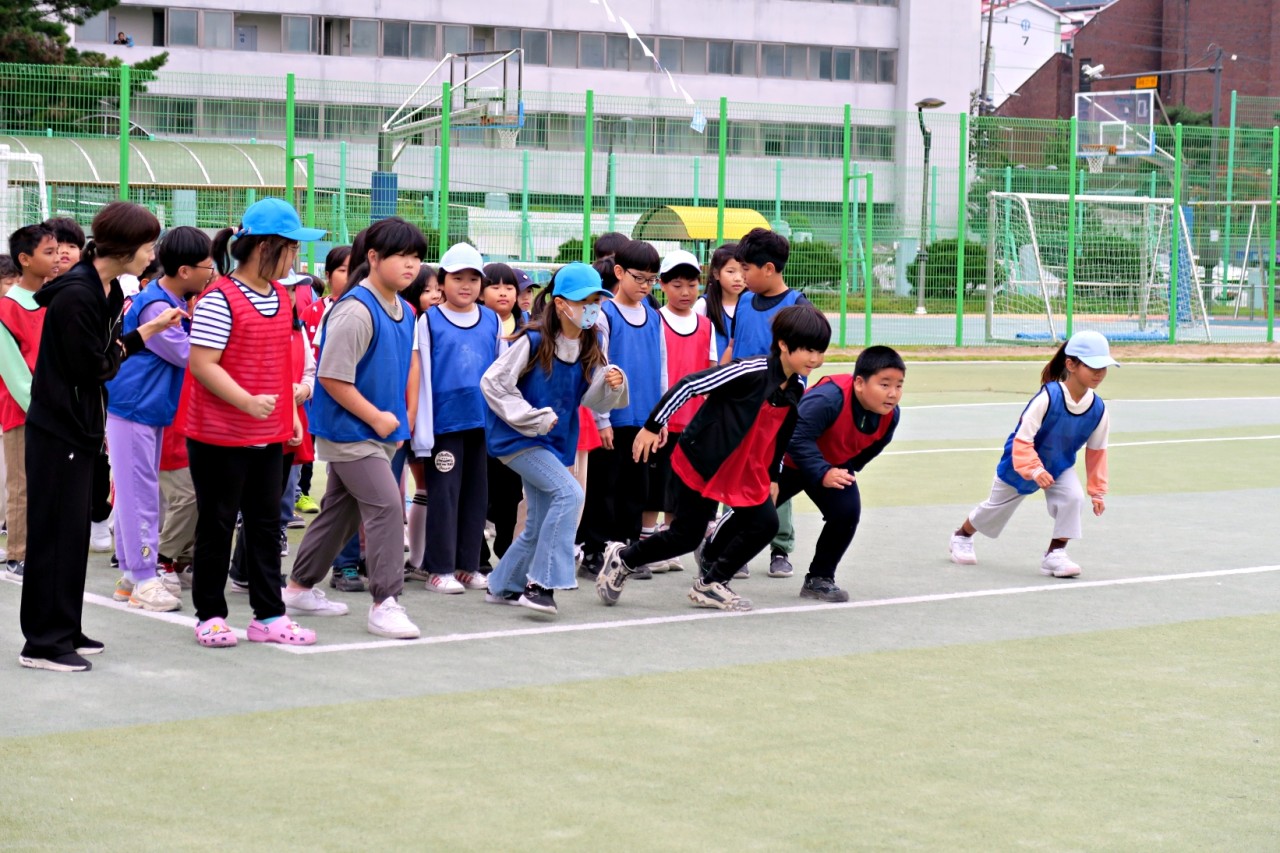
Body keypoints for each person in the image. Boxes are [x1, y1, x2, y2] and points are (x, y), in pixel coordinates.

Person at [18, 202, 185, 672]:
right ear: (128, 247)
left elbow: (106, 355)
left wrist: (147, 331)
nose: (152, 255)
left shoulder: (106, 290)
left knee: (70, 535)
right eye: (149, 245)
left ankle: (65, 628)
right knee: (53, 535)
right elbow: (93, 366)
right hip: (58, 430)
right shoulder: (77, 296)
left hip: (81, 427)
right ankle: (43, 644)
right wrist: (126, 347)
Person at [595, 305, 830, 613]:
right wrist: (653, 426)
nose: (816, 359)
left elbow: (782, 431)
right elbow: (691, 385)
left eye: (821, 351)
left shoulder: (797, 384)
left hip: (746, 469)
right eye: (809, 350)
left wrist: (774, 475)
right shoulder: (750, 370)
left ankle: (710, 583)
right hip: (703, 460)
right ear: (784, 344)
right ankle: (623, 559)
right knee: (685, 537)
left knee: (765, 523)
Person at [182, 197, 321, 650]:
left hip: (269, 432)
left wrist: (289, 418)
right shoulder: (218, 298)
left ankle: (270, 615)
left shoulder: (282, 297)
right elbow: (203, 364)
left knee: (265, 525)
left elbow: (281, 361)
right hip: (218, 435)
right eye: (291, 248)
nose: (296, 258)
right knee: (218, 524)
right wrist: (247, 402)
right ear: (265, 247)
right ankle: (210, 615)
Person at [285, 216, 422, 639]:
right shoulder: (356, 311)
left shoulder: (405, 308)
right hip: (349, 432)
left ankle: (298, 587)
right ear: (375, 258)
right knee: (385, 506)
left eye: (417, 257)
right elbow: (331, 377)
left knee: (340, 513)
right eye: (401, 256)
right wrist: (378, 418)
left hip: (377, 433)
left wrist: (394, 421)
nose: (411, 265)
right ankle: (386, 602)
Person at [482, 262, 628, 615]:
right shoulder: (532, 339)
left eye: (597, 300)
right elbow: (493, 383)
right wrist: (532, 417)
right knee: (570, 493)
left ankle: (502, 584)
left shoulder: (593, 341)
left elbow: (592, 399)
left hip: (556, 440)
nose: (592, 308)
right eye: (584, 300)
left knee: (539, 520)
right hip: (517, 439)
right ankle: (540, 585)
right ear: (560, 303)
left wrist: (613, 384)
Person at [104, 226, 212, 612]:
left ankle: (134, 577)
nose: (211, 271)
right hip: (133, 407)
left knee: (140, 494)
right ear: (185, 270)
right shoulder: (156, 306)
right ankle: (144, 577)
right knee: (140, 497)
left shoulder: (162, 298)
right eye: (206, 265)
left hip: (144, 409)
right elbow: (190, 356)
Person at [949, 331, 1116, 578]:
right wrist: (1034, 469)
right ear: (1071, 364)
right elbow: (1022, 439)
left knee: (1073, 498)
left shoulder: (1099, 409)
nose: (1099, 372)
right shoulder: (1048, 397)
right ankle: (962, 536)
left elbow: (1097, 452)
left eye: (1104, 366)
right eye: (1092, 365)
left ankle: (1055, 554)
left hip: (1059, 465)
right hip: (1020, 463)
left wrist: (1098, 490)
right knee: (994, 509)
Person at [770, 345, 905, 603]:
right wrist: (823, 471)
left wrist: (842, 468)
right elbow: (794, 437)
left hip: (829, 466)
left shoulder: (890, 415)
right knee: (757, 514)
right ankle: (715, 560)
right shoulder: (829, 398)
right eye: (885, 384)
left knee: (846, 512)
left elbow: (871, 448)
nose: (893, 393)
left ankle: (819, 578)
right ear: (859, 383)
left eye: (899, 385)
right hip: (785, 459)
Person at [413, 243, 500, 594]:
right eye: (457, 278)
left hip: (481, 423)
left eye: (473, 279)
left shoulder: (491, 319)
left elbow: (499, 373)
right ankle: (439, 568)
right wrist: (423, 430)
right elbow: (423, 376)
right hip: (444, 424)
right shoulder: (428, 320)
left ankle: (467, 565)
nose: (466, 285)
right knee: (444, 495)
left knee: (477, 495)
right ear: (442, 281)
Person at [576, 240, 665, 579]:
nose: (645, 286)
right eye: (639, 278)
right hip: (612, 419)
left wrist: (660, 418)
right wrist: (601, 420)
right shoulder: (603, 314)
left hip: (644, 420)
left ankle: (627, 553)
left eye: (651, 280)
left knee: (636, 488)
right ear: (618, 272)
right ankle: (595, 552)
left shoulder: (654, 316)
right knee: (604, 487)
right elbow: (597, 366)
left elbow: (662, 369)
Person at [729, 228, 812, 580]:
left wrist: (787, 398)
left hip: (776, 410)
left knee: (772, 476)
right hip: (739, 405)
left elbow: (805, 360)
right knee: (733, 474)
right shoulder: (744, 302)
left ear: (768, 268)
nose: (740, 276)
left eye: (745, 268)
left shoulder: (797, 306)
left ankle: (780, 547)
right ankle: (736, 544)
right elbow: (736, 346)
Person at [641, 249, 717, 574]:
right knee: (654, 485)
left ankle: (668, 543)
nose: (685, 292)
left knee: (679, 485)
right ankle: (646, 539)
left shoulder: (705, 325)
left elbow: (711, 370)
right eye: (676, 285)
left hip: (692, 424)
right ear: (661, 285)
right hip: (661, 420)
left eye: (691, 284)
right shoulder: (654, 321)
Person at [0, 224, 58, 581]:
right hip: (24, 412)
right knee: (22, 483)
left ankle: (38, 548)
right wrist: (43, 407)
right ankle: (18, 554)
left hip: (51, 410)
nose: (57, 259)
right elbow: (14, 372)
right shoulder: (8, 308)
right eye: (49, 252)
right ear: (25, 259)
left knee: (45, 482)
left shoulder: (52, 299)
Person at [480, 263, 526, 565]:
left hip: (513, 426)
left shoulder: (529, 327)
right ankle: (478, 555)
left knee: (511, 492)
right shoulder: (478, 324)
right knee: (480, 492)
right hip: (481, 423)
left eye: (509, 287)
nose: (504, 293)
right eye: (495, 287)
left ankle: (507, 550)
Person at [694, 243, 745, 365]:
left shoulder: (750, 306)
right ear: (716, 274)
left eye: (744, 271)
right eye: (731, 271)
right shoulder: (703, 306)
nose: (738, 278)